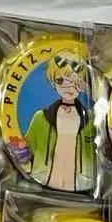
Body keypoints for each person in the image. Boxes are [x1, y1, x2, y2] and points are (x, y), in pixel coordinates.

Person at [21, 49, 95, 191]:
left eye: (75, 80)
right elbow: (24, 149)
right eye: (60, 80)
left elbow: (106, 136)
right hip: (44, 180)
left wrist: (89, 91)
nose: (68, 86)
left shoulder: (91, 118)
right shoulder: (40, 118)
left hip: (81, 182)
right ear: (53, 84)